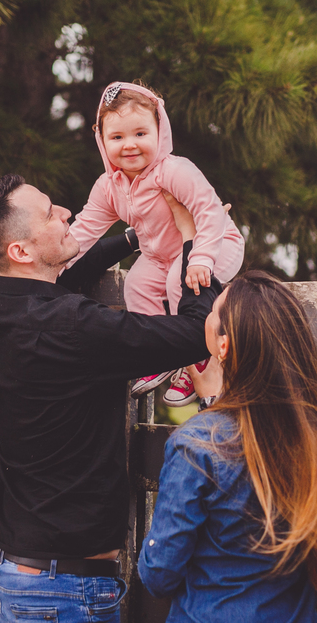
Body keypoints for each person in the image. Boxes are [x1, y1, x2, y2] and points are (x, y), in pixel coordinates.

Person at [0, 173, 222, 623]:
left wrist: (139, 235)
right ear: (20, 251)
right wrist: (194, 241)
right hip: (64, 593)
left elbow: (56, 287)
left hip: (18, 574)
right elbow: (198, 332)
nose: (66, 213)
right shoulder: (75, 326)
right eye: (49, 214)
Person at [138, 271, 317, 622]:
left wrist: (211, 411)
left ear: (223, 345)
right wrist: (213, 405)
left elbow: (159, 575)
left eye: (213, 310)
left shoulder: (196, 445)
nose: (207, 312)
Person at [69, 81, 245, 406]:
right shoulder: (109, 186)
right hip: (159, 256)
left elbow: (210, 211)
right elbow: (84, 229)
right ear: (101, 140)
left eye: (140, 133)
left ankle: (197, 362)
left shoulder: (174, 171)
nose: (130, 145)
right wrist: (56, 261)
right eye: (117, 137)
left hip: (214, 245)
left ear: (160, 132)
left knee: (180, 282)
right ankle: (158, 355)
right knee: (136, 285)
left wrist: (201, 258)